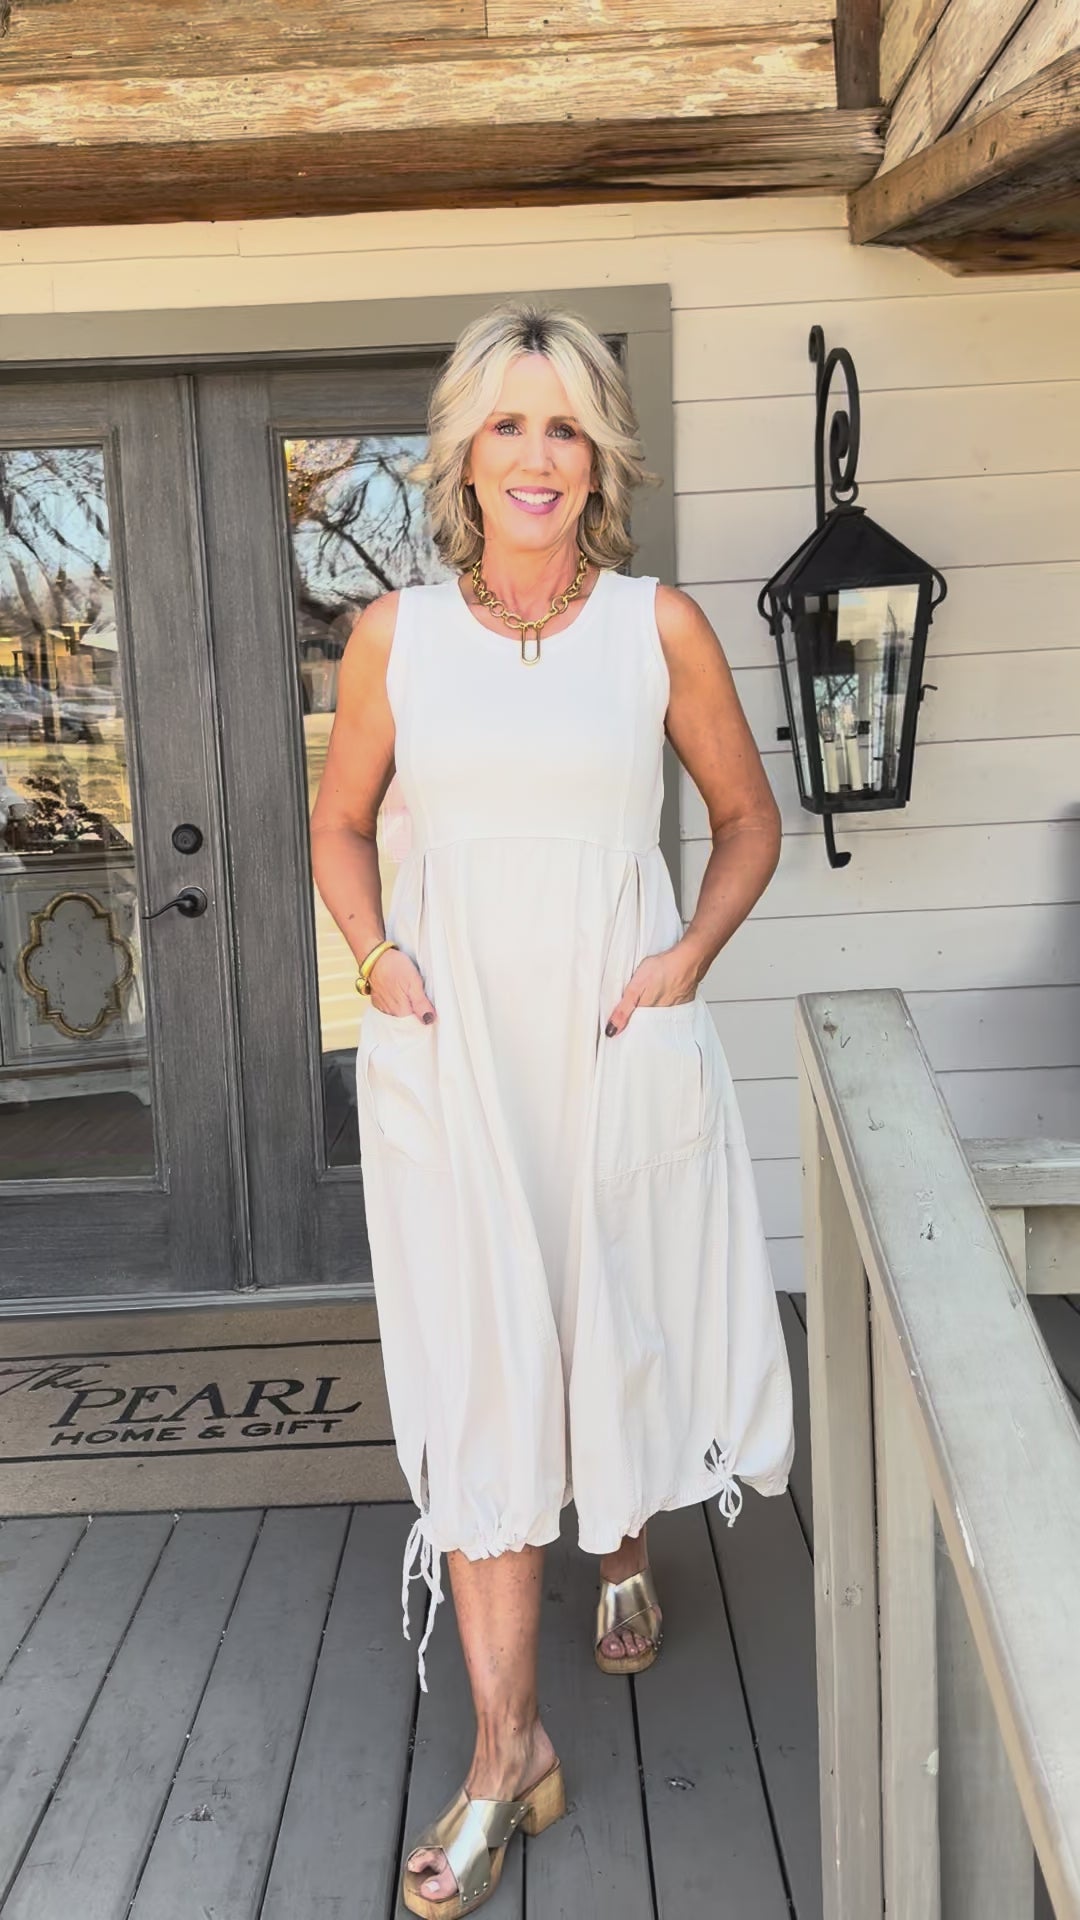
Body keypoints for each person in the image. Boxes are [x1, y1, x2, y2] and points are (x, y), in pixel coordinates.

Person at [310, 300, 795, 1918]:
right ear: (462, 453)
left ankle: (627, 1545)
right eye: (508, 425)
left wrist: (683, 962)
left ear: (602, 458)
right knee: (485, 1370)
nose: (537, 456)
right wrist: (375, 958)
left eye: (567, 426)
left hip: (610, 1029)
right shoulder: (395, 638)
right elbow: (339, 824)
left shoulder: (657, 628)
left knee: (615, 1309)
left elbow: (745, 820)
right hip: (453, 1049)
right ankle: (507, 1752)